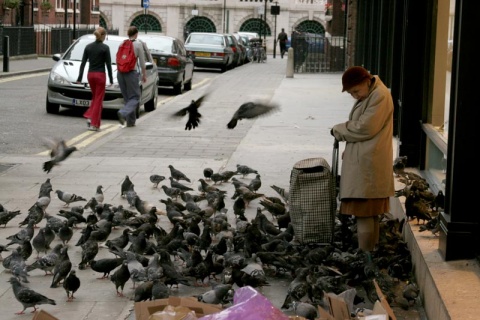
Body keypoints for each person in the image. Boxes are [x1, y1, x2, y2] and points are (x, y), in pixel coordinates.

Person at [330, 66, 395, 259]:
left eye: (355, 91)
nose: (355, 96)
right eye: (351, 94)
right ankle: (369, 254)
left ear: (367, 81)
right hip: (366, 159)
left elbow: (366, 128)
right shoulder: (370, 95)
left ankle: (365, 256)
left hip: (369, 164)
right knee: (369, 212)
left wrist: (339, 129)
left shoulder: (379, 96)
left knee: (364, 211)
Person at [76, 27, 113, 132]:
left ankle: (93, 121)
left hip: (90, 75)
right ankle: (93, 122)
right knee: (98, 99)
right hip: (100, 75)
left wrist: (79, 77)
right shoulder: (105, 48)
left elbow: (83, 63)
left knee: (96, 98)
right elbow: (108, 64)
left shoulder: (88, 47)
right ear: (103, 36)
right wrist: (110, 79)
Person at [117, 26, 147, 128]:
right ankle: (123, 112)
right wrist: (144, 74)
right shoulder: (138, 44)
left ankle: (130, 122)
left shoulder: (122, 43)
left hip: (120, 73)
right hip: (131, 72)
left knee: (128, 99)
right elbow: (142, 63)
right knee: (135, 97)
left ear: (128, 34)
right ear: (136, 34)